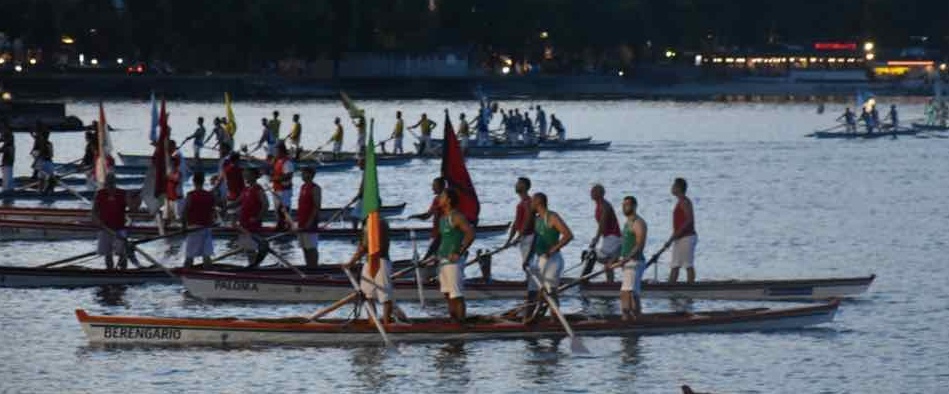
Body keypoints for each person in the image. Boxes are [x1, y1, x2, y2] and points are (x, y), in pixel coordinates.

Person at [524, 192, 573, 323]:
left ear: (539, 202)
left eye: (532, 201)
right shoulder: (537, 219)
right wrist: (527, 259)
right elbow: (534, 241)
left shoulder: (552, 217)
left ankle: (554, 320)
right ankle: (538, 317)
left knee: (550, 292)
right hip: (540, 259)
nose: (531, 204)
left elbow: (568, 235)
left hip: (553, 260)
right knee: (539, 291)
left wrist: (553, 249)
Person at [344, 217, 395, 323]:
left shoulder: (378, 222)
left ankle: (386, 324)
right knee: (367, 294)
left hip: (380, 262)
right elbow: (363, 245)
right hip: (369, 262)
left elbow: (365, 247)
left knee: (385, 296)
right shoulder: (369, 222)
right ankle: (373, 321)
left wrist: (351, 263)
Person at [435, 188, 475, 322]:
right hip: (443, 260)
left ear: (449, 200)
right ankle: (453, 321)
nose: (439, 199)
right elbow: (440, 240)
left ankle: (461, 324)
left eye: (442, 197)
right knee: (447, 294)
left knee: (456, 295)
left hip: (454, 261)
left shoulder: (457, 216)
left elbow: (470, 234)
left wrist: (459, 252)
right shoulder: (442, 218)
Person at [91, 174, 132, 270]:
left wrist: (134, 199)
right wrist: (97, 221)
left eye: (111, 183)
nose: (110, 186)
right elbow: (93, 212)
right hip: (105, 229)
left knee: (122, 254)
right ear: (105, 184)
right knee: (107, 254)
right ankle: (110, 272)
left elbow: (132, 208)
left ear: (114, 183)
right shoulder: (100, 194)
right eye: (108, 184)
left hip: (120, 229)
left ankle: (123, 273)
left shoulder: (122, 193)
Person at [617, 196, 647, 320]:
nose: (624, 207)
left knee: (626, 292)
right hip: (628, 262)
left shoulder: (638, 223)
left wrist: (626, 258)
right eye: (623, 205)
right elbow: (623, 244)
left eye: (627, 205)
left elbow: (640, 245)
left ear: (634, 206)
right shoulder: (627, 223)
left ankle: (627, 318)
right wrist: (615, 259)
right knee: (633, 293)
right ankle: (635, 317)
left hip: (634, 262)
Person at [585, 184, 622, 282]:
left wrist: (596, 239)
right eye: (591, 191)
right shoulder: (598, 205)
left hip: (613, 237)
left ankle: (621, 260)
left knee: (593, 255)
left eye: (594, 191)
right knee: (607, 262)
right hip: (607, 237)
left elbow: (602, 224)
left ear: (600, 194)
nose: (591, 193)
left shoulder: (605, 206)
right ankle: (610, 282)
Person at [236, 168, 269, 267]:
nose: (245, 176)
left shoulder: (258, 189)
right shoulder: (246, 189)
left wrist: (258, 218)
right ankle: (252, 266)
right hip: (243, 224)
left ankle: (254, 268)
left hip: (252, 225)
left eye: (248, 174)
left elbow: (266, 204)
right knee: (248, 249)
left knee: (251, 249)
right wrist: (224, 207)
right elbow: (237, 202)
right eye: (245, 174)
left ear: (254, 176)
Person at [181, 172, 215, 268]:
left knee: (189, 257)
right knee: (207, 256)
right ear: (203, 181)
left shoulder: (190, 195)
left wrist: (183, 228)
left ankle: (185, 274)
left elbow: (184, 213)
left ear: (193, 182)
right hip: (206, 228)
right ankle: (209, 277)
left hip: (194, 228)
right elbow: (212, 212)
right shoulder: (209, 195)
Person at [408, 177, 447, 260]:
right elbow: (427, 216)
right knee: (432, 258)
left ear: (441, 186)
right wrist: (414, 216)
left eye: (434, 186)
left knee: (430, 257)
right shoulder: (436, 199)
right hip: (435, 233)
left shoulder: (447, 200)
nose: (432, 188)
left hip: (442, 235)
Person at [668, 178, 697, 283]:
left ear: (678, 188)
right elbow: (679, 224)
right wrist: (673, 237)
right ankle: (670, 287)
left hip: (687, 237)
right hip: (679, 238)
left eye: (673, 186)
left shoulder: (685, 202)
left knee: (688, 264)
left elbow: (689, 220)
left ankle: (691, 287)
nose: (671, 188)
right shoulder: (680, 202)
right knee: (675, 264)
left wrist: (677, 234)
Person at [297, 167, 322, 268]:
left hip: (310, 223)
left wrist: (310, 221)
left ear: (310, 175)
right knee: (304, 247)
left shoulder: (315, 188)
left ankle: (314, 267)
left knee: (311, 247)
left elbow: (317, 206)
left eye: (304, 173)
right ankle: (308, 266)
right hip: (301, 221)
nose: (302, 175)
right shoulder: (303, 187)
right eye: (302, 173)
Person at [270, 142, 295, 231]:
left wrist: (275, 179)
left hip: (284, 190)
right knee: (277, 209)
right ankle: (280, 224)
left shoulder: (287, 162)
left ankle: (287, 225)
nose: (274, 152)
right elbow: (274, 172)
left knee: (284, 209)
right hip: (277, 189)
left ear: (280, 150)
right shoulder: (277, 161)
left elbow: (289, 175)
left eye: (276, 150)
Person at [1, 119, 15, 191]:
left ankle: (8, 190)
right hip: (6, 162)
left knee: (7, 177)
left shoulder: (9, 138)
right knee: (6, 177)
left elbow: (3, 148)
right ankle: (7, 189)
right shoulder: (8, 138)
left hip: (8, 162)